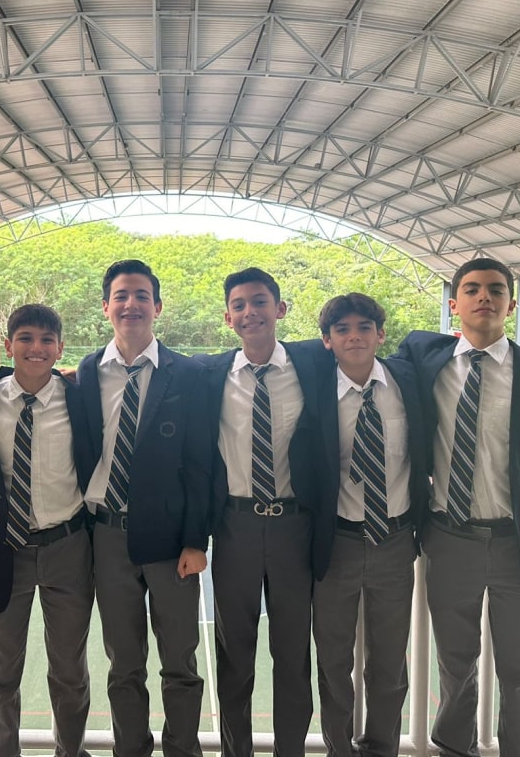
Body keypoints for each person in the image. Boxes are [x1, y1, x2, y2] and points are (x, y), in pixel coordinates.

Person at [77, 259, 211, 757]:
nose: (130, 304)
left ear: (157, 306)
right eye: (121, 295)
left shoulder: (188, 373)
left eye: (140, 296)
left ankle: (182, 749)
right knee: (124, 664)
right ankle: (130, 748)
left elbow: (200, 464)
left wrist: (196, 540)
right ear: (105, 306)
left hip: (171, 540)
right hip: (108, 535)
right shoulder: (88, 371)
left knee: (179, 662)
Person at [396, 257, 520, 757]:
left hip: (514, 542)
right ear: (454, 305)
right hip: (449, 537)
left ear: (511, 305)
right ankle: (455, 749)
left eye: (496, 289)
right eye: (471, 289)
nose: (484, 297)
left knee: (518, 668)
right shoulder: (427, 359)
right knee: (455, 663)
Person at [194, 266, 320, 757]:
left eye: (260, 301)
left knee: (292, 654)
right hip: (235, 527)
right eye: (240, 305)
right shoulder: (209, 374)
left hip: (295, 527)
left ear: (280, 308)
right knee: (234, 656)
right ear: (228, 318)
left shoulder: (313, 363)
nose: (251, 312)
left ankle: (291, 750)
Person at [0, 303, 94, 757]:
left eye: (46, 340)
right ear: (8, 345)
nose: (35, 348)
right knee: (1, 673)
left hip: (68, 545)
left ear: (60, 347)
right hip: (4, 549)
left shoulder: (80, 399)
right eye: (25, 338)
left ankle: (70, 750)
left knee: (69, 670)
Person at [312, 293, 428, 757]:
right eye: (342, 329)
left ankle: (381, 747)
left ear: (381, 334)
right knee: (333, 660)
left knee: (389, 661)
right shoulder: (314, 387)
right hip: (336, 542)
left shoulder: (408, 379)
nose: (354, 336)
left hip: (395, 540)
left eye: (364, 327)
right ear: (327, 340)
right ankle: (339, 748)